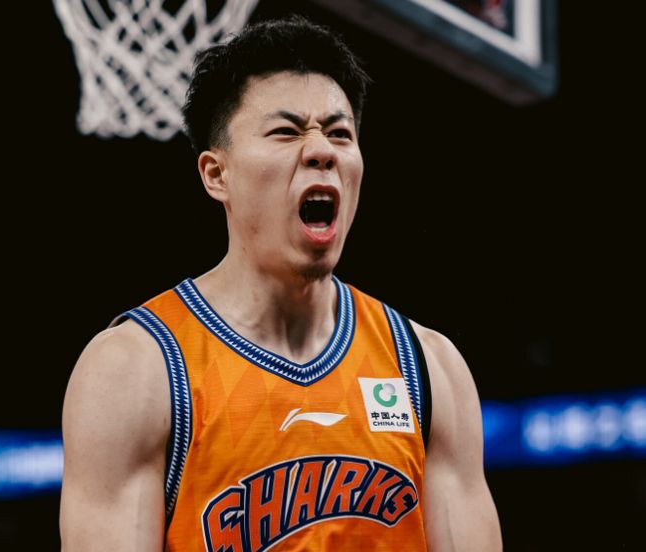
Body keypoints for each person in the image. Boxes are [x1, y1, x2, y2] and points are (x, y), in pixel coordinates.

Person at [59, 15, 502, 552]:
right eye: (286, 132)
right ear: (216, 174)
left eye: (339, 133)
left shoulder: (429, 367)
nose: (322, 151)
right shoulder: (135, 370)